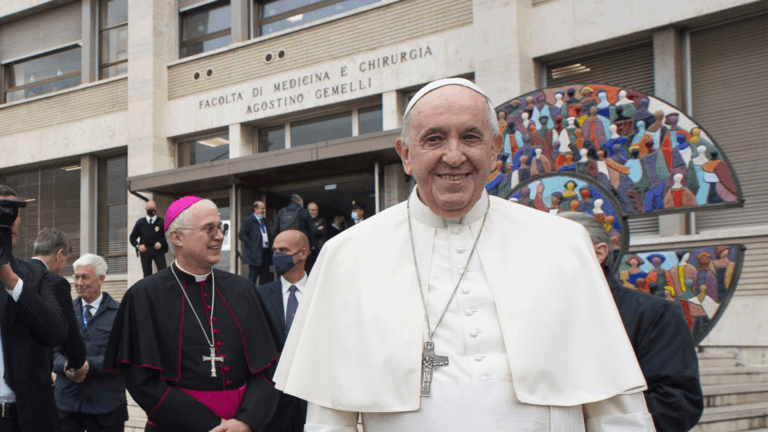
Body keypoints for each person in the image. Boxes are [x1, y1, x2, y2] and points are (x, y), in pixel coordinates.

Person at [272, 79, 654, 430]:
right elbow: (328, 420)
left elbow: (618, 411)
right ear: (406, 154)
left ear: (494, 149)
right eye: (434, 139)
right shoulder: (347, 255)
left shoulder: (562, 244)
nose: (453, 156)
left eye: (470, 137)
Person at [105, 196, 278, 432]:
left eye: (221, 227)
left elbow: (267, 367)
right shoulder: (144, 295)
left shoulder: (243, 290)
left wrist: (246, 421)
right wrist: (211, 425)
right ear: (177, 237)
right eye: (209, 229)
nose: (219, 236)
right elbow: (141, 380)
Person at [560, 211, 703, 431]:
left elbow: (676, 404)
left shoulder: (655, 314)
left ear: (598, 252)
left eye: (556, 246)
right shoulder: (525, 313)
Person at [0, 185, 68, 432]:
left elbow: (57, 333)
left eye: (13, 213)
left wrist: (10, 279)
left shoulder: (35, 275)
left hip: (27, 416)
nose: (8, 221)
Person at [54, 254, 128, 432]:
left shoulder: (120, 313)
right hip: (67, 406)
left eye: (85, 277)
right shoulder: (63, 311)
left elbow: (124, 355)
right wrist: (66, 366)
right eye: (76, 277)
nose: (79, 283)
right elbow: (51, 351)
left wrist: (88, 366)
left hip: (106, 406)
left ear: (101, 279)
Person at [256, 230, 310, 432]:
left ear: (302, 253)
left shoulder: (322, 291)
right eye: (275, 250)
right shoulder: (261, 294)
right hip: (274, 399)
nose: (277, 255)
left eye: (284, 250)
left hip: (310, 396)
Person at [29, 229, 88, 386]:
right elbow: (67, 331)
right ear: (60, 254)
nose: (63, 267)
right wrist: (77, 363)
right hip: (36, 374)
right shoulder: (55, 282)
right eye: (65, 261)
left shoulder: (13, 274)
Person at [129, 200, 168, 278]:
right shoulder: (140, 223)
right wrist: (138, 246)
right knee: (147, 275)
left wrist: (161, 242)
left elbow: (168, 235)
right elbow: (132, 237)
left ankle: (163, 289)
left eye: (153, 208)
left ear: (156, 209)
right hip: (145, 251)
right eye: (150, 208)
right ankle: (148, 290)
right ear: (146, 209)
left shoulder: (161, 222)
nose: (152, 210)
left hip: (158, 251)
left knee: (163, 272)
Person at [238, 201, 273, 285]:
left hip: (265, 253)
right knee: (252, 278)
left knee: (265, 278)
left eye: (265, 208)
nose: (264, 210)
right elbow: (241, 234)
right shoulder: (249, 220)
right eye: (262, 208)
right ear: (256, 209)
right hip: (254, 254)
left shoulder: (264, 221)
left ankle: (262, 296)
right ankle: (250, 296)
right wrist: (252, 244)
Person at [306, 203, 326, 273]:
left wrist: (310, 231)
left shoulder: (322, 220)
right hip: (307, 254)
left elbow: (323, 232)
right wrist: (316, 230)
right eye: (311, 210)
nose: (314, 212)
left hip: (318, 252)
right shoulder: (304, 222)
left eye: (315, 210)